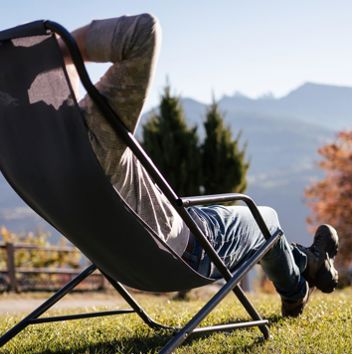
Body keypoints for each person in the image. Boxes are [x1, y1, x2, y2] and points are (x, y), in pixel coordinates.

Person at [59, 14, 339, 317]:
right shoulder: (89, 129)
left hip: (122, 263)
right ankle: (298, 286)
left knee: (241, 224)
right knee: (265, 219)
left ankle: (306, 262)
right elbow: (142, 32)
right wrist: (55, 54)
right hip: (185, 253)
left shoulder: (25, 154)